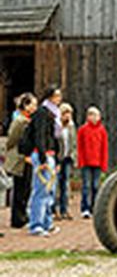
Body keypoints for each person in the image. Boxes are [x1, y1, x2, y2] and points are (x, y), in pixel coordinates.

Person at [29, 85, 62, 236]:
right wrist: (42, 157)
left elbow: (54, 138)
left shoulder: (54, 115)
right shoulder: (42, 113)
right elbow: (40, 136)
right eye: (57, 96)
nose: (59, 99)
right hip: (42, 155)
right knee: (41, 190)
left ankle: (47, 222)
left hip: (51, 154)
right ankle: (36, 224)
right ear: (50, 97)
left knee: (50, 190)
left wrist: (57, 158)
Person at [4, 93, 37, 228]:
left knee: (26, 188)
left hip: (26, 158)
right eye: (33, 104)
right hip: (19, 158)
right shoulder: (19, 121)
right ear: (26, 106)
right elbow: (12, 139)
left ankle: (23, 215)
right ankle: (17, 218)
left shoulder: (28, 120)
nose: (35, 107)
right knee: (19, 188)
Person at [77, 106, 108, 219]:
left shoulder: (102, 130)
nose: (95, 118)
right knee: (86, 185)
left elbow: (104, 148)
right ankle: (85, 208)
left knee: (96, 186)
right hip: (86, 162)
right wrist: (80, 161)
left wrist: (104, 164)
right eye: (92, 115)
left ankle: (95, 207)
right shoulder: (82, 130)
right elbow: (80, 147)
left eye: (97, 115)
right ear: (88, 117)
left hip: (98, 163)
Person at [54, 103, 77, 220]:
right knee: (57, 184)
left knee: (66, 183)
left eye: (69, 113)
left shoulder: (71, 127)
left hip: (68, 158)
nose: (67, 116)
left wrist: (73, 156)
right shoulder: (57, 126)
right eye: (65, 113)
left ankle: (65, 209)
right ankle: (55, 209)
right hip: (59, 158)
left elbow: (74, 143)